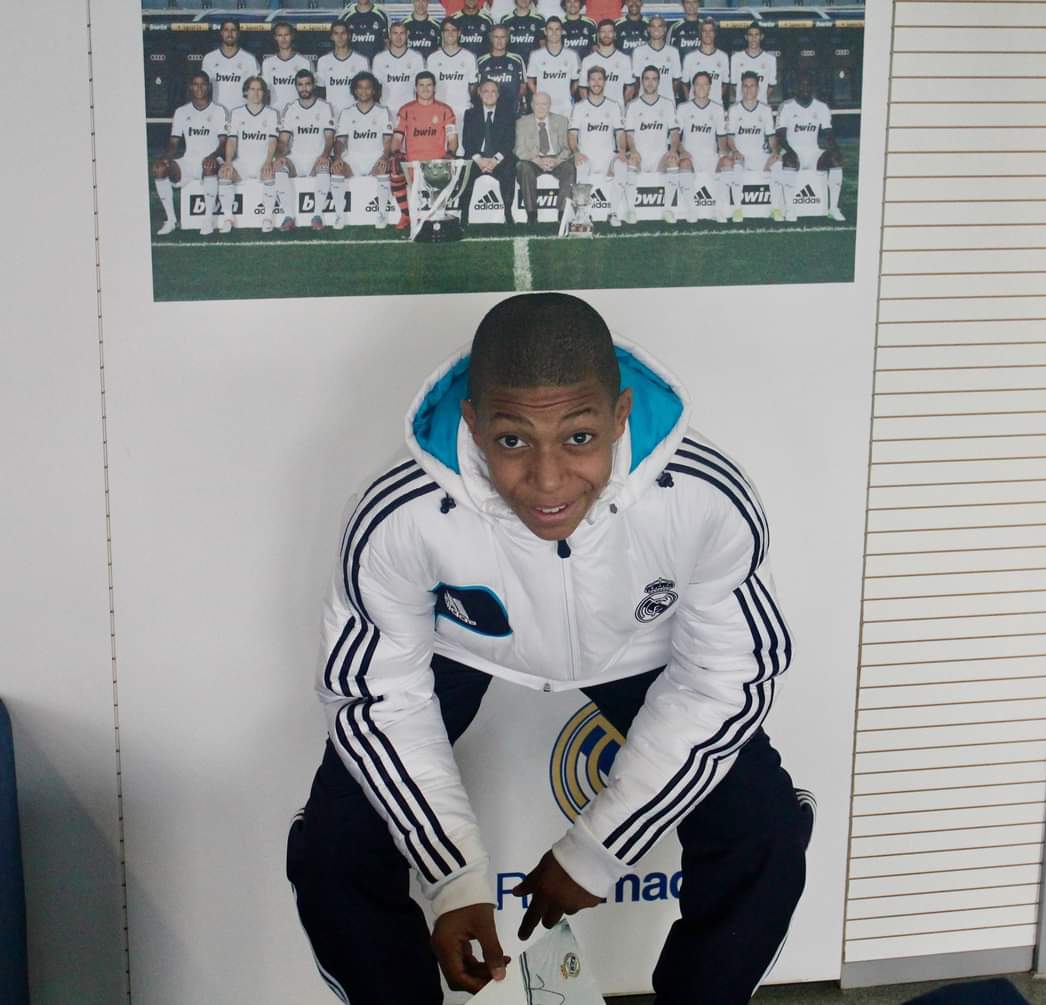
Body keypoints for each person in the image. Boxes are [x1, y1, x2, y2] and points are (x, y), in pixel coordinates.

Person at [286, 291, 812, 1005]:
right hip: (467, 645)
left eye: (579, 437)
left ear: (620, 416)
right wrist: (452, 875)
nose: (548, 480)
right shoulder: (402, 511)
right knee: (334, 849)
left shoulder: (702, 495)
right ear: (472, 424)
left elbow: (727, 678)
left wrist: (597, 851)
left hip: (637, 647)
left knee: (765, 831)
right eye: (511, 442)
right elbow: (375, 695)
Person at [152, 70, 227, 236]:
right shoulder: (181, 112)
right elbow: (173, 144)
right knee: (159, 168)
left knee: (208, 165)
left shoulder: (219, 111)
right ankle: (171, 220)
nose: (199, 88)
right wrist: (165, 158)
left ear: (209, 87)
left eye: (203, 84)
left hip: (211, 161)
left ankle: (208, 220)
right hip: (188, 162)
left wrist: (212, 156)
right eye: (195, 84)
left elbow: (223, 143)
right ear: (190, 87)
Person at [390, 70, 459, 230]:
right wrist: (396, 153)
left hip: (436, 163)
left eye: (429, 85)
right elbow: (397, 138)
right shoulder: (406, 110)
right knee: (394, 165)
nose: (425, 89)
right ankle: (405, 215)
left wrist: (450, 154)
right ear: (416, 88)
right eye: (421, 85)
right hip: (412, 164)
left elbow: (453, 140)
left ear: (434, 87)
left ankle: (438, 212)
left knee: (436, 216)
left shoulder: (445, 110)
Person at [776, 74, 845, 221]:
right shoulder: (786, 106)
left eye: (808, 85)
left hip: (814, 152)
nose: (805, 88)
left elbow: (828, 134)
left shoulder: (821, 107)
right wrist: (790, 151)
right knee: (789, 159)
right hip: (792, 151)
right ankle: (790, 209)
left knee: (835, 159)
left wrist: (836, 149)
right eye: (802, 85)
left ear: (813, 88)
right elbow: (780, 135)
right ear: (795, 88)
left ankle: (833, 208)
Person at [274, 69, 336, 231]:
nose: (304, 88)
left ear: (313, 85)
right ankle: (289, 217)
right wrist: (279, 155)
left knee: (324, 165)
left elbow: (330, 138)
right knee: (279, 165)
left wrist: (324, 155)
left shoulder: (325, 107)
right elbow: (283, 140)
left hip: (316, 157)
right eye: (300, 84)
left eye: (307, 84)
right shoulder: (290, 108)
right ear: (296, 86)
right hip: (296, 158)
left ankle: (317, 216)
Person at [332, 71, 394, 230]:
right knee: (337, 169)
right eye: (360, 87)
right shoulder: (347, 113)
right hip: (353, 159)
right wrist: (337, 157)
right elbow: (340, 141)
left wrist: (384, 156)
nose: (364, 91)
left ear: (373, 90)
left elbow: (388, 141)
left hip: (375, 157)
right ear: (355, 90)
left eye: (368, 87)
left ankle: (381, 214)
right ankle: (339, 215)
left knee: (383, 167)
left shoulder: (383, 111)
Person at [569, 66, 629, 227]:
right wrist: (576, 152)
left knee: (622, 165)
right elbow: (572, 135)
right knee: (581, 164)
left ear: (605, 82)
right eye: (593, 79)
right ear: (588, 82)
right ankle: (583, 215)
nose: (596, 83)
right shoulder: (579, 107)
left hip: (608, 157)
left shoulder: (613, 106)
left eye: (600, 79)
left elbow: (620, 133)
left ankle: (613, 213)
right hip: (587, 155)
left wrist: (621, 151)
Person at [218, 76, 279, 233]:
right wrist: (228, 161)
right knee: (225, 173)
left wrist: (268, 161)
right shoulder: (236, 113)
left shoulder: (272, 113)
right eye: (252, 89)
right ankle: (228, 218)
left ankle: (267, 218)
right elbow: (232, 141)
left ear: (264, 93)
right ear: (246, 92)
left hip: (262, 162)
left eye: (259, 89)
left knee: (270, 173)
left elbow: (273, 141)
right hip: (242, 163)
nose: (256, 93)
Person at [624, 64, 679, 223]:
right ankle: (631, 211)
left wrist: (673, 150)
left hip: (659, 157)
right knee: (631, 160)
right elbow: (629, 134)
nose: (650, 82)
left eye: (654, 79)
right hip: (640, 157)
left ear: (659, 82)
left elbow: (674, 133)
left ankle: (667, 210)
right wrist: (633, 150)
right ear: (642, 81)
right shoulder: (633, 105)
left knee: (673, 161)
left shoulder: (667, 104)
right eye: (647, 79)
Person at [726, 71, 783, 222]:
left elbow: (771, 136)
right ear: (741, 88)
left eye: (752, 86)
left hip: (760, 155)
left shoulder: (765, 109)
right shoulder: (734, 109)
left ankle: (775, 208)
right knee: (736, 165)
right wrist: (735, 150)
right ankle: (738, 209)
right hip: (741, 154)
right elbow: (730, 137)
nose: (748, 89)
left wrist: (774, 151)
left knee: (777, 163)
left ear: (758, 88)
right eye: (745, 86)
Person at [675, 70, 731, 223]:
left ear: (710, 87)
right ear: (693, 87)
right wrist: (682, 151)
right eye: (698, 84)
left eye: (705, 84)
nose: (701, 87)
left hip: (711, 157)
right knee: (684, 164)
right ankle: (691, 210)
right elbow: (675, 136)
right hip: (691, 157)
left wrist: (723, 154)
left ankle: (718, 209)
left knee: (727, 162)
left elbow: (721, 137)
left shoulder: (717, 109)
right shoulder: (683, 108)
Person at [460, 80, 517, 225]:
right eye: (486, 91)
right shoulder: (470, 114)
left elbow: (509, 142)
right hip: (477, 158)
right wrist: (479, 160)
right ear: (479, 93)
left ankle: (508, 214)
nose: (489, 94)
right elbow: (467, 141)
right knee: (465, 172)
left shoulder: (507, 115)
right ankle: (463, 216)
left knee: (509, 169)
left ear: (498, 95)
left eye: (493, 91)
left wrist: (494, 160)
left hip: (498, 159)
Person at [514, 91, 575, 222]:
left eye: (544, 104)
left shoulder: (562, 121)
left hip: (556, 159)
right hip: (533, 160)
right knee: (522, 167)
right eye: (537, 104)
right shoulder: (522, 122)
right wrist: (536, 160)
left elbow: (567, 148)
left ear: (550, 105)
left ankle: (563, 214)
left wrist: (557, 160)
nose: (541, 107)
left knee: (569, 168)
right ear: (532, 105)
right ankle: (531, 215)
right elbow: (519, 149)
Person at [428, 19, 480, 135]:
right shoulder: (433, 58)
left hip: (462, 111)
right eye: (447, 30)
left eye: (453, 30)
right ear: (442, 34)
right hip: (439, 111)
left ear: (459, 33)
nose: (450, 33)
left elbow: (473, 86)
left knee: (460, 145)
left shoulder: (469, 57)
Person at [200, 18, 258, 112]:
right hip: (216, 113)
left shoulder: (249, 59)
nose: (230, 34)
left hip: (242, 114)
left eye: (233, 30)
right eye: (226, 30)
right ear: (221, 33)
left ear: (238, 33)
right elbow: (203, 89)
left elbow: (257, 90)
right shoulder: (209, 58)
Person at [317, 19, 371, 118]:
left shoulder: (361, 61)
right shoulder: (323, 61)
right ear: (331, 37)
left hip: (355, 116)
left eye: (343, 33)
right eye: (336, 33)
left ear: (349, 36)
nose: (340, 37)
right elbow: (320, 92)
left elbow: (368, 92)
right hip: (331, 116)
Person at [373, 22, 426, 123]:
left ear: (407, 35)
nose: (398, 37)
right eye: (395, 33)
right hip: (386, 112)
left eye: (402, 33)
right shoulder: (379, 59)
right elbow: (375, 89)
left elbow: (421, 88)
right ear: (389, 35)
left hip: (410, 112)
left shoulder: (416, 58)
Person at [527, 18, 580, 118]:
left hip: (565, 107)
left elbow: (576, 82)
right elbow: (530, 82)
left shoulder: (572, 55)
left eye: (557, 29)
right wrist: (540, 97)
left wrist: (567, 96)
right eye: (550, 29)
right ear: (545, 32)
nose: (554, 33)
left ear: (562, 31)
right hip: (543, 106)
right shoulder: (536, 55)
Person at [580, 19, 634, 110]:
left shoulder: (624, 59)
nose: (606, 35)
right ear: (598, 35)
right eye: (603, 32)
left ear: (615, 34)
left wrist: (621, 107)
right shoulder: (588, 60)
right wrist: (589, 107)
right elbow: (582, 88)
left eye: (610, 31)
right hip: (595, 112)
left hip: (617, 112)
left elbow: (630, 88)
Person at [262, 21, 313, 113]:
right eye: (280, 35)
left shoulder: (304, 62)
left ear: (292, 36)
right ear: (275, 37)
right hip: (275, 113)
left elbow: (312, 93)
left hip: (299, 113)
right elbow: (265, 93)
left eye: (286, 35)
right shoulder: (267, 63)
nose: (283, 39)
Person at [630, 16, 681, 103]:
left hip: (667, 103)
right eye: (653, 26)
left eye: (659, 26)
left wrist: (665, 94)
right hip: (644, 103)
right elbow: (637, 81)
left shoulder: (673, 52)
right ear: (648, 29)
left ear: (665, 29)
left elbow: (676, 80)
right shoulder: (639, 52)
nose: (656, 29)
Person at [478, 25, 528, 111]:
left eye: (503, 37)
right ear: (491, 38)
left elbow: (523, 87)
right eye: (496, 37)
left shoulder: (517, 59)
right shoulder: (481, 61)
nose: (499, 41)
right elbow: (478, 89)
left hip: (512, 110)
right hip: (489, 110)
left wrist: (514, 102)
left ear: (507, 39)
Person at [682, 18, 728, 107]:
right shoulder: (690, 58)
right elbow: (684, 83)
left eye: (711, 31)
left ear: (715, 33)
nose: (708, 34)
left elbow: (725, 83)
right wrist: (690, 101)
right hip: (694, 108)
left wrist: (716, 99)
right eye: (704, 31)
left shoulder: (723, 57)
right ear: (700, 34)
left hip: (716, 107)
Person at [731, 22, 777, 106]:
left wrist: (759, 101)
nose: (753, 38)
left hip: (761, 107)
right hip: (740, 107)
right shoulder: (736, 58)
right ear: (746, 37)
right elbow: (734, 85)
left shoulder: (770, 59)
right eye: (750, 35)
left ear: (761, 37)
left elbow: (771, 86)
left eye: (756, 35)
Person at [341, 0, 390, 64]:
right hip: (352, 66)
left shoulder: (382, 15)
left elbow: (387, 44)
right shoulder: (346, 16)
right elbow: (339, 44)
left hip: (375, 66)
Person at [502, 0, 546, 65]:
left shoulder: (539, 19)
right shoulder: (506, 20)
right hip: (512, 64)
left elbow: (543, 45)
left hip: (533, 64)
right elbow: (502, 45)